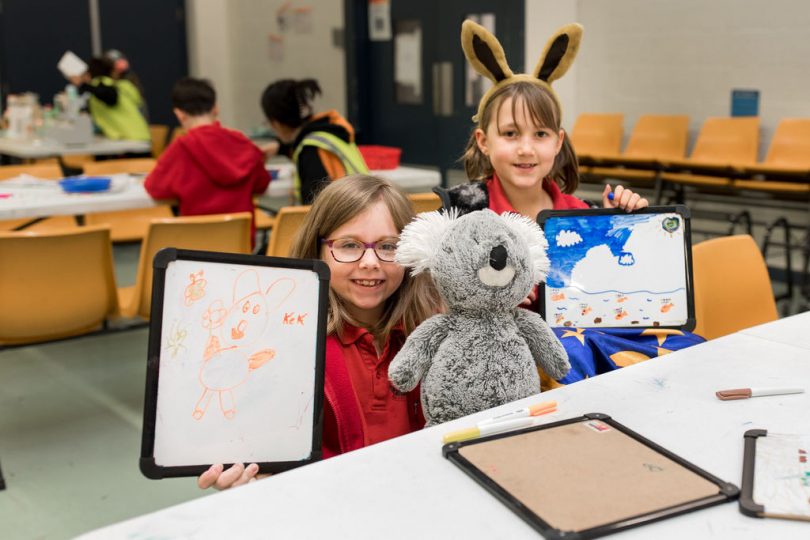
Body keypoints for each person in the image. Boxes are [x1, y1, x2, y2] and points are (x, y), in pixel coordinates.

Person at [197, 175, 442, 490]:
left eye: (388, 246)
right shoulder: (282, 345)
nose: (370, 262)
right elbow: (258, 446)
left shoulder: (432, 332)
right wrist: (246, 475)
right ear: (318, 249)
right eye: (349, 245)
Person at [144, 78, 270, 247]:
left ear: (179, 114)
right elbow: (262, 184)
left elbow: (155, 189)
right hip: (241, 247)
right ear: (216, 108)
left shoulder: (181, 148)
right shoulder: (241, 142)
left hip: (196, 252)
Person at [260, 79, 368, 205]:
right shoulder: (330, 133)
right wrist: (279, 147)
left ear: (277, 123)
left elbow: (313, 207)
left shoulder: (311, 150)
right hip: (363, 211)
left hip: (346, 219)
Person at [70, 56, 150, 141]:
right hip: (135, 137)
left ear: (89, 73)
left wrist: (83, 85)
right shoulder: (110, 86)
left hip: (132, 140)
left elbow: (111, 97)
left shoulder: (103, 84)